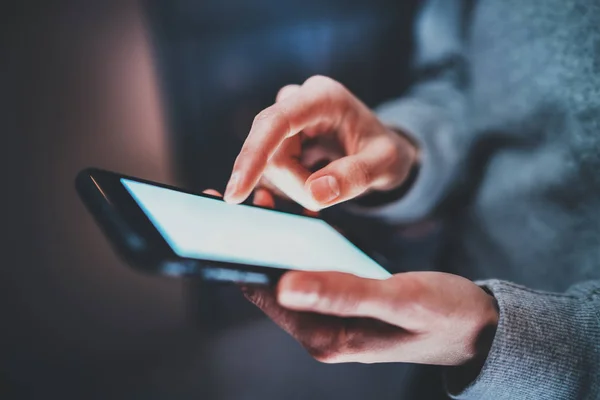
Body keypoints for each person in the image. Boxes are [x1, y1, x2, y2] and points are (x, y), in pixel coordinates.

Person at [217, 0, 600, 398]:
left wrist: (509, 341)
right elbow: (452, 86)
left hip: (483, 342)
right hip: (450, 323)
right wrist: (403, 150)